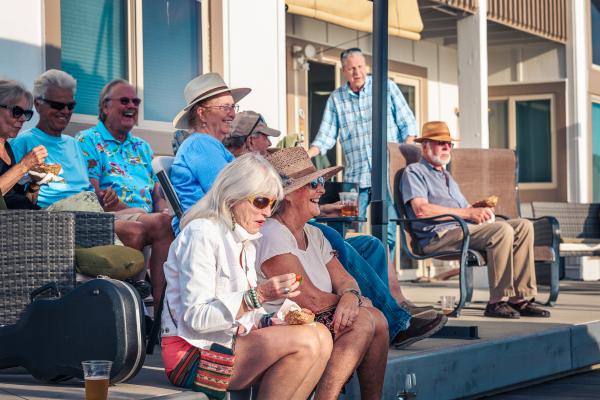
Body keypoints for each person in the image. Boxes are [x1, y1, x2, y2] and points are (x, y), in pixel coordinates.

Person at [257, 148, 444, 399]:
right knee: (364, 319)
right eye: (314, 183)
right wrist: (355, 300)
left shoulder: (313, 233)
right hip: (284, 323)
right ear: (288, 195)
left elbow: (345, 279)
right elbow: (310, 299)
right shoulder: (273, 233)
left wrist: (351, 296)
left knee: (378, 319)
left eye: (321, 181)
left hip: (315, 317)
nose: (322, 189)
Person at [163, 153, 332, 398]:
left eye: (273, 204)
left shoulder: (245, 239)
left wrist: (270, 320)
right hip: (191, 354)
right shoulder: (201, 233)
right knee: (306, 340)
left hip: (226, 342)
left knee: (321, 335)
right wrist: (258, 295)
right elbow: (196, 318)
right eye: (261, 201)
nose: (268, 212)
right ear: (233, 196)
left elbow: (245, 317)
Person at [400, 121, 551, 319]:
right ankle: (497, 301)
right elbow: (421, 210)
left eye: (449, 144)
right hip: (438, 236)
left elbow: (465, 210)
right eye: (440, 143)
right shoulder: (414, 172)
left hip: (463, 230)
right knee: (502, 230)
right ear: (425, 146)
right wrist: (467, 214)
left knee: (523, 226)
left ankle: (520, 299)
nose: (447, 147)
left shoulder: (446, 176)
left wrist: (478, 209)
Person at [75, 78, 175, 307]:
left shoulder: (142, 146)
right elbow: (93, 194)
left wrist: (165, 212)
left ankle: (163, 309)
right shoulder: (87, 140)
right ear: (105, 107)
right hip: (109, 216)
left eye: (135, 101)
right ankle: (156, 307)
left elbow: (156, 194)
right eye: (124, 101)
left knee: (171, 221)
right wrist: (133, 209)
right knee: (160, 223)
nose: (132, 106)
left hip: (146, 217)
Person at [307, 47, 417, 253]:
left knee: (387, 231)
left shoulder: (386, 87)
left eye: (360, 67)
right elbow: (325, 137)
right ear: (344, 71)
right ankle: (355, 269)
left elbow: (409, 125)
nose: (357, 72)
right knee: (348, 227)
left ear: (365, 66)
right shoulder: (337, 98)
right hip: (356, 177)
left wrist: (404, 162)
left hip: (387, 175)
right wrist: (307, 155)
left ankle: (383, 272)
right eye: (351, 69)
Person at [170, 72, 250, 234]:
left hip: (217, 226)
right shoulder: (200, 145)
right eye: (225, 107)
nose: (233, 114)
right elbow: (230, 193)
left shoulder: (210, 145)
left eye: (233, 107)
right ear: (202, 113)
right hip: (207, 232)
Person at [0, 79, 47, 209]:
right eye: (17, 112)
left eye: (26, 114)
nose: (23, 119)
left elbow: (15, 200)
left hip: (22, 219)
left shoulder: (7, 147)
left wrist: (34, 183)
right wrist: (24, 165)